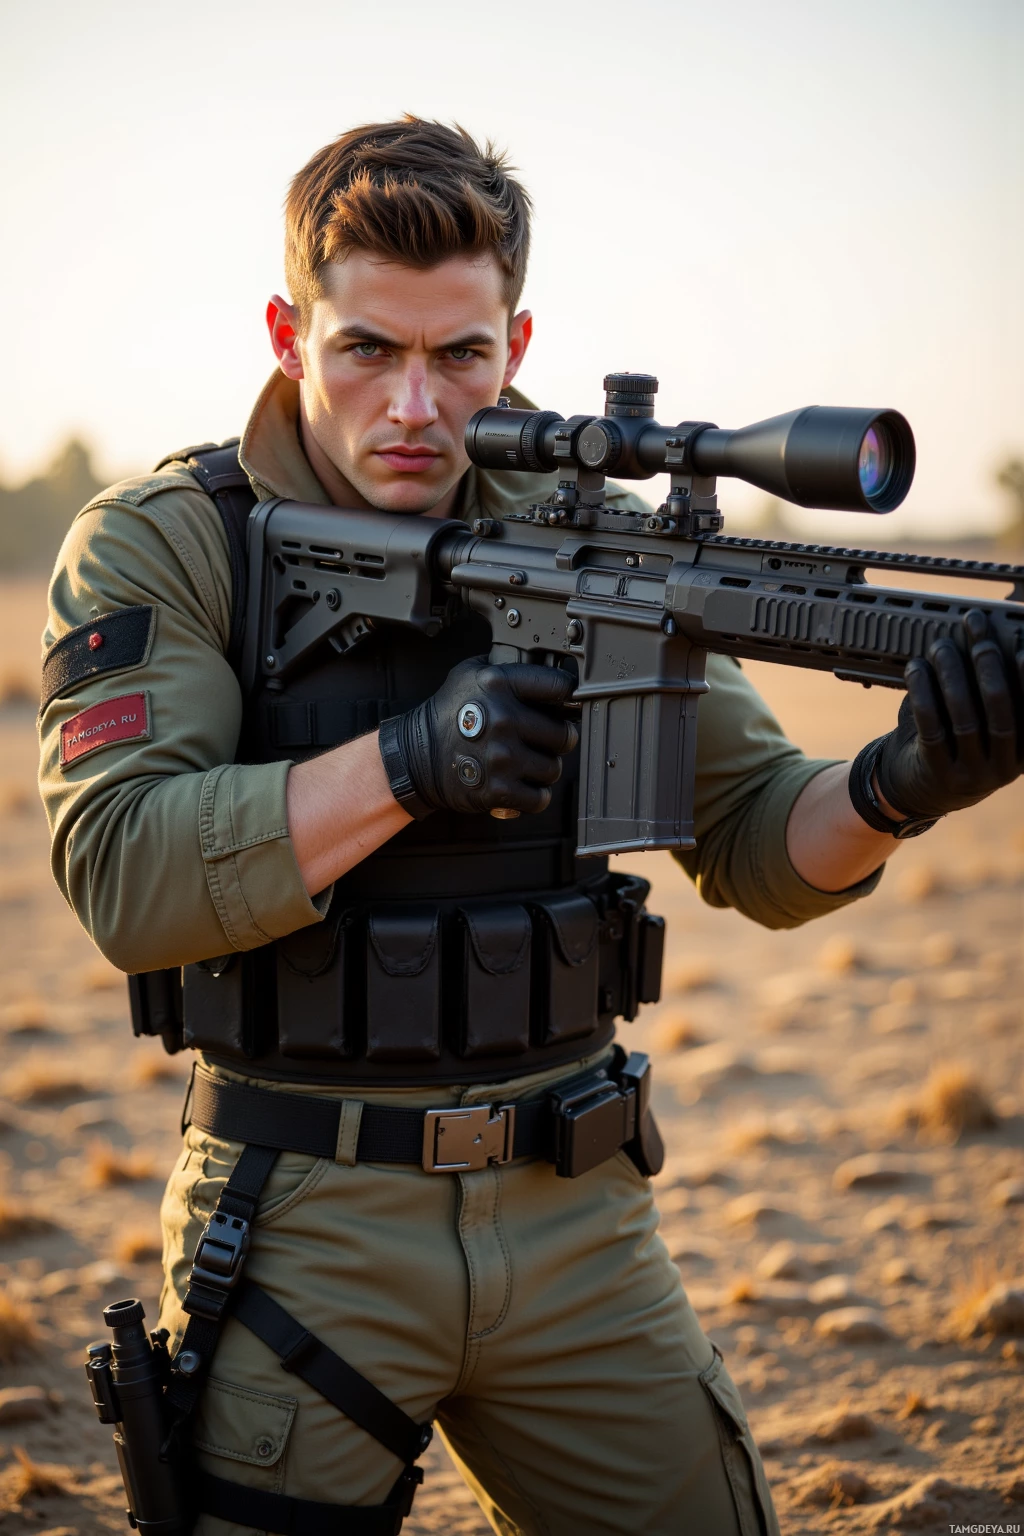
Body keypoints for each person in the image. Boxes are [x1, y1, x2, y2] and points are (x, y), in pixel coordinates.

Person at [37, 118, 1023, 1536]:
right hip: (305, 1210)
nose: (417, 408)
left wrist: (902, 783)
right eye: (367, 348)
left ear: (521, 341)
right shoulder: (174, 543)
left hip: (581, 1213)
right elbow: (126, 872)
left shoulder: (600, 543)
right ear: (284, 331)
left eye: (463, 357)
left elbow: (758, 836)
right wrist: (415, 761)